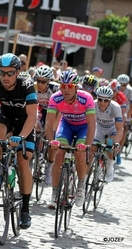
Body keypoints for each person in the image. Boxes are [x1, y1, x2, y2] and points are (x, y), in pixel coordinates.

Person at [0, 53, 37, 229]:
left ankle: (26, 210)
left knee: (23, 161)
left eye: (10, 73)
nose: (5, 77)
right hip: (6, 117)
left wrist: (21, 138)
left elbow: (32, 116)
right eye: (2, 73)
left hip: (25, 124)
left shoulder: (27, 85)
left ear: (18, 72)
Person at [45, 70, 96, 209]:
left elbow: (92, 124)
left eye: (69, 86)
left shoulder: (86, 98)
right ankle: (54, 194)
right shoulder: (55, 98)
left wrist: (87, 145)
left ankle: (80, 186)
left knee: (80, 154)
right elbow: (49, 124)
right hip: (66, 125)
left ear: (75, 86)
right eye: (63, 86)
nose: (66, 89)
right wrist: (51, 141)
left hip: (83, 128)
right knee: (59, 153)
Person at [33, 66, 60, 185]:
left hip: (55, 112)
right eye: (38, 80)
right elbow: (32, 107)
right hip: (41, 110)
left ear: (48, 81)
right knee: (35, 127)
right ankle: (36, 153)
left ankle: (50, 166)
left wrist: (52, 127)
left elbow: (61, 110)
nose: (40, 84)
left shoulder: (55, 89)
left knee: (51, 137)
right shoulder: (33, 87)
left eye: (43, 82)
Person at [91, 86, 123, 182]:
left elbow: (120, 129)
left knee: (110, 146)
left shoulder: (116, 107)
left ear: (110, 100)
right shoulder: (93, 104)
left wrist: (116, 143)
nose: (102, 102)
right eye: (100, 99)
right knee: (92, 148)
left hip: (111, 129)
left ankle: (109, 167)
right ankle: (96, 166)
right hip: (99, 129)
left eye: (106, 100)